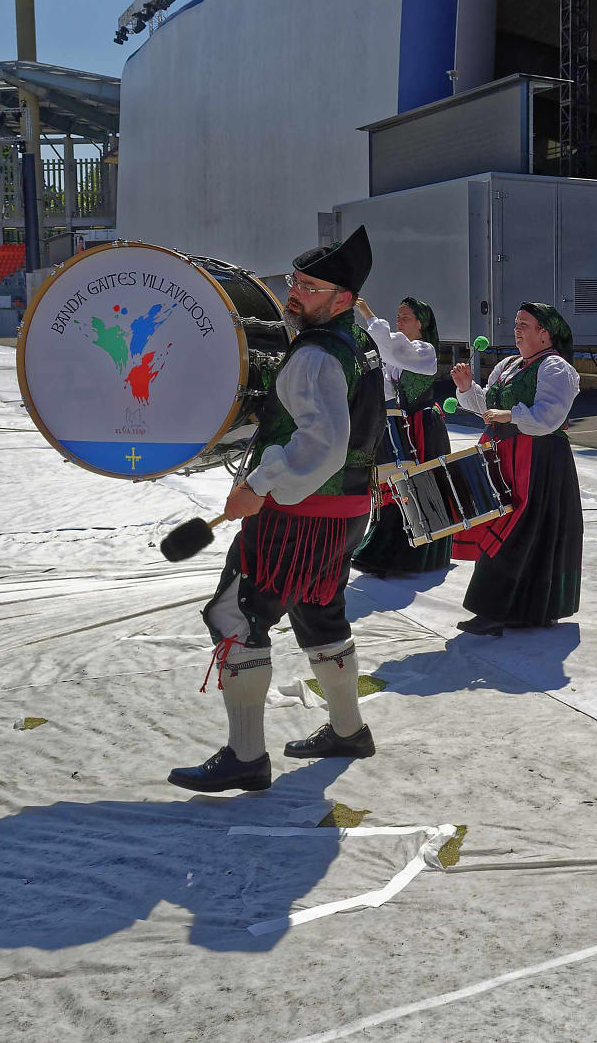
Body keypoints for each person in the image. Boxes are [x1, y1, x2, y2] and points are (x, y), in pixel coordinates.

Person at [169, 226, 385, 793]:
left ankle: (245, 757)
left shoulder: (314, 357)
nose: (295, 293)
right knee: (320, 609)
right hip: (343, 513)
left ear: (343, 299)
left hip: (296, 515)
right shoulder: (356, 341)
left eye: (311, 286)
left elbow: (320, 445)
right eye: (295, 281)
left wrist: (259, 485)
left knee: (238, 615)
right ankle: (347, 728)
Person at [448, 302, 583, 637]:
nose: (517, 329)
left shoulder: (555, 368)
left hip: (538, 458)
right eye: (516, 323)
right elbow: (490, 408)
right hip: (506, 452)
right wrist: (468, 389)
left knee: (520, 529)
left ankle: (499, 610)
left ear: (544, 333)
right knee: (507, 525)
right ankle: (513, 609)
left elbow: (549, 417)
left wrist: (514, 416)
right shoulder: (510, 365)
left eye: (525, 324)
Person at [354, 297, 450, 577]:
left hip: (422, 428)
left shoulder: (424, 350)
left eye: (406, 317)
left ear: (422, 324)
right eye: (398, 316)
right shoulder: (394, 354)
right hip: (399, 424)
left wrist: (368, 313)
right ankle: (388, 551)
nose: (400, 321)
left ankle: (417, 555)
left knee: (420, 489)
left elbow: (393, 347)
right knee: (395, 489)